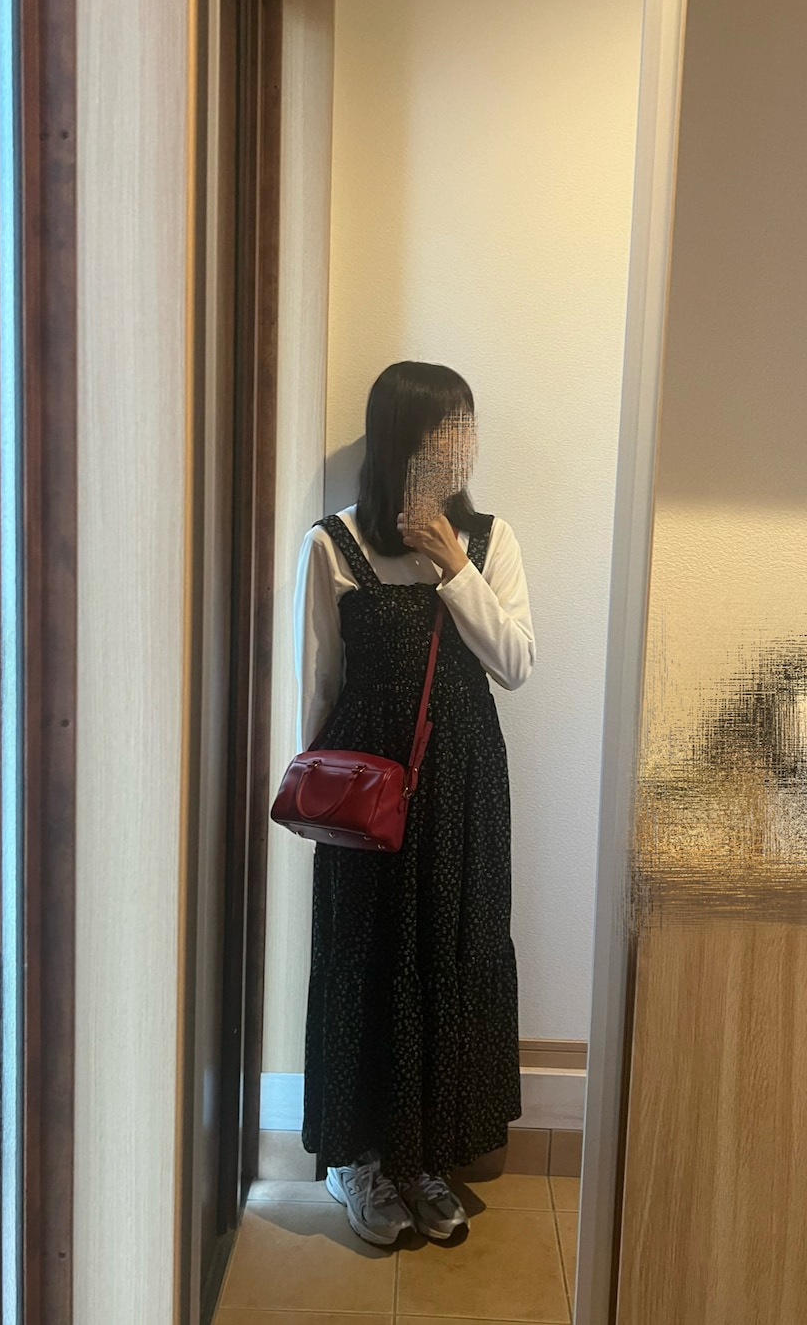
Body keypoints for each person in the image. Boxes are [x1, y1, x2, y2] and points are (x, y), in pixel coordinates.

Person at [293, 360, 535, 1246]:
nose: (462, 448)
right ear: (403, 441)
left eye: (467, 429)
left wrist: (454, 566)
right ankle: (359, 1160)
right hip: (365, 801)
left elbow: (516, 663)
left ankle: (425, 1154)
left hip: (463, 794)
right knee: (365, 960)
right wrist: (316, 802)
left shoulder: (491, 542)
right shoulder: (333, 545)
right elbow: (318, 687)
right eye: (444, 433)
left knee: (449, 955)